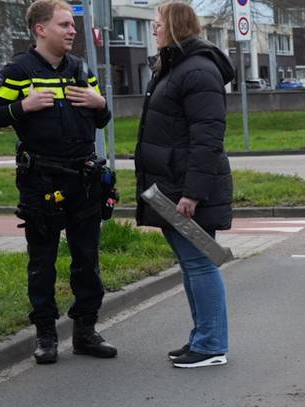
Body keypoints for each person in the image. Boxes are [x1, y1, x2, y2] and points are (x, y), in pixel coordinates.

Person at [0, 0, 116, 365]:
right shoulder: (19, 71)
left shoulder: (80, 69)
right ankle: (46, 335)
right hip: (41, 179)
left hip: (84, 179)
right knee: (42, 261)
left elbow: (102, 119)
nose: (72, 30)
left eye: (72, 25)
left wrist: (100, 103)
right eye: (64, 24)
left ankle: (85, 331)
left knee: (87, 258)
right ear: (40, 29)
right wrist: (23, 106)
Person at [135, 1, 235, 369]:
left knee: (200, 264)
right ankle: (202, 338)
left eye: (158, 22)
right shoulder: (175, 67)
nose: (154, 29)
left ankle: (211, 345)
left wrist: (193, 193)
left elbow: (207, 137)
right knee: (192, 264)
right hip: (173, 185)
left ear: (175, 25)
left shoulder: (197, 71)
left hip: (187, 188)